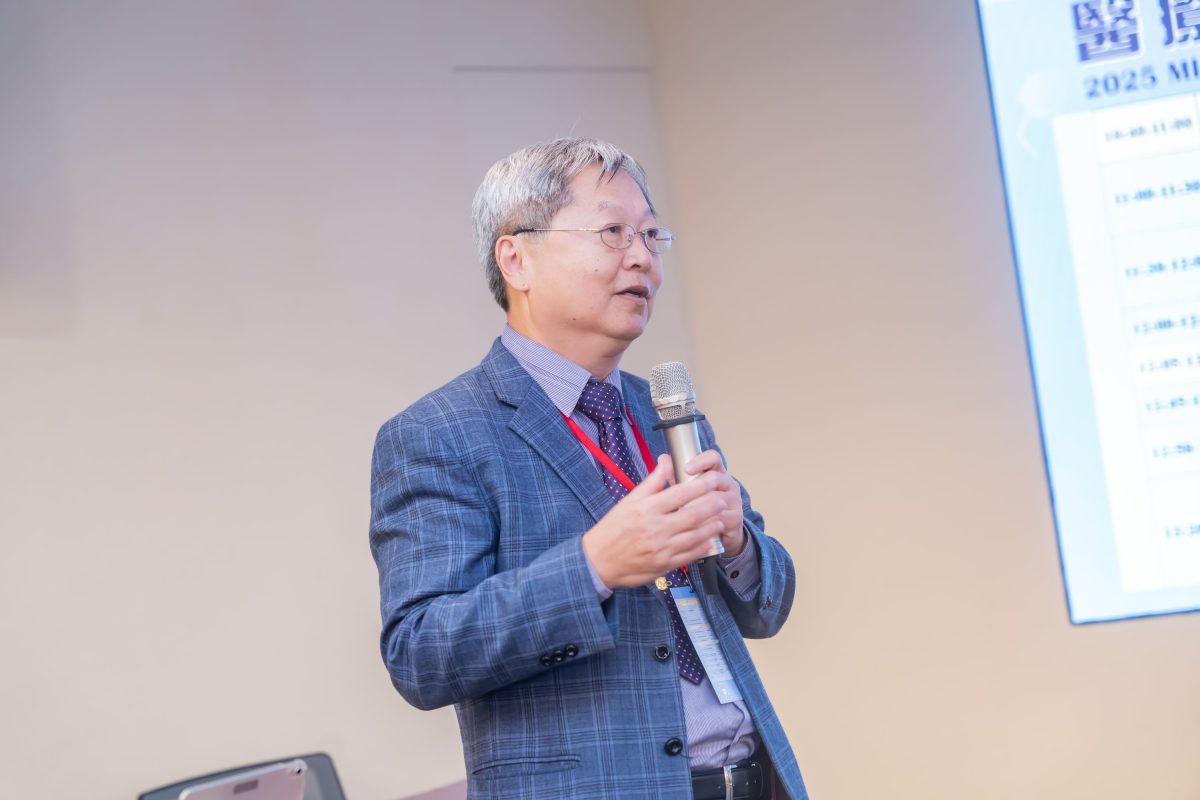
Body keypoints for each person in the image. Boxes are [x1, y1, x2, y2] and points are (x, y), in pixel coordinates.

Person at [370, 138, 809, 799]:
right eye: (612, 232)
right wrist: (593, 566)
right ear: (516, 259)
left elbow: (766, 610)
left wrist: (739, 541)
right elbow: (421, 654)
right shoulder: (440, 433)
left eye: (651, 235)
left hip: (748, 780)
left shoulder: (663, 413)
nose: (642, 258)